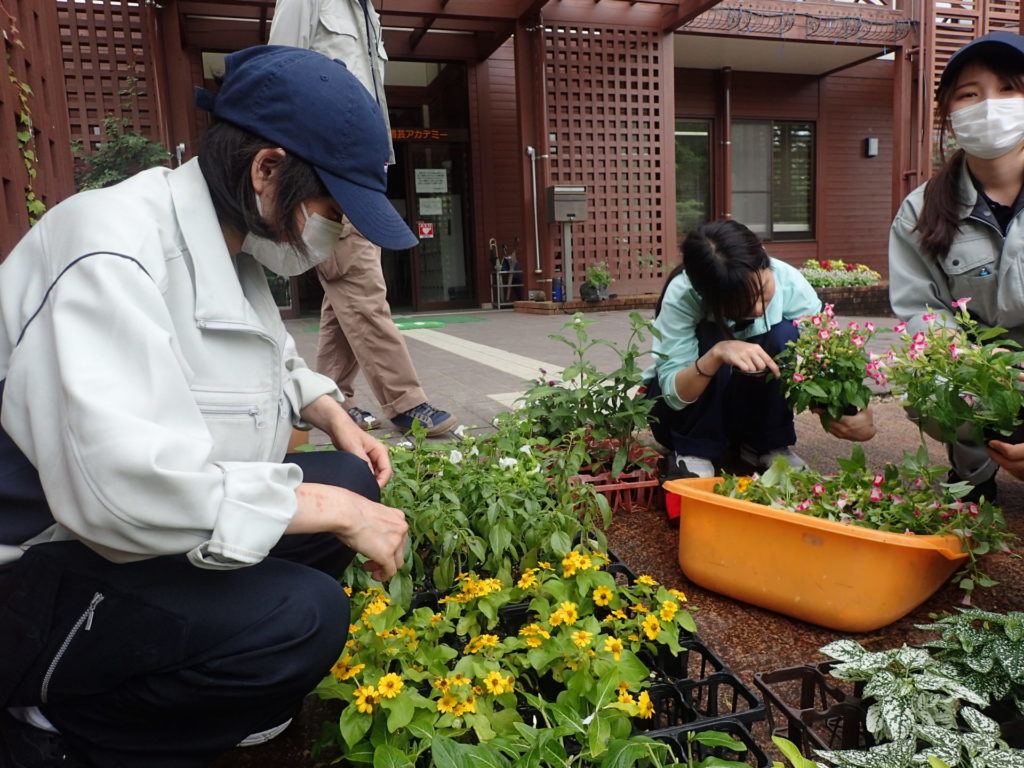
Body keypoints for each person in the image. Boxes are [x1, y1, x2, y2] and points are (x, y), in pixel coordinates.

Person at [0, 46, 412, 767]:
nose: (337, 235)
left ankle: (210, 660)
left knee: (347, 477)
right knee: (305, 617)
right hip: (33, 573)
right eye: (334, 212)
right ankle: (65, 719)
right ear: (267, 169)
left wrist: (333, 414)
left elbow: (265, 355)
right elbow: (120, 494)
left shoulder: (227, 239)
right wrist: (338, 514)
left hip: (114, 545)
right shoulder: (109, 251)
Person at [268, 0, 458, 437]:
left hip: (363, 171)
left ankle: (333, 399)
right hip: (325, 173)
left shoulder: (367, 11)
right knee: (361, 288)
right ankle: (406, 404)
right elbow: (278, 71)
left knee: (345, 295)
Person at [889, 30, 1024, 502]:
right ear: (950, 112)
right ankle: (973, 469)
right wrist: (983, 372)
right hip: (977, 372)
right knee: (929, 386)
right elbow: (921, 309)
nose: (990, 106)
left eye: (1009, 89)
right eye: (971, 94)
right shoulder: (922, 209)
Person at [644, 219, 876, 479]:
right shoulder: (683, 295)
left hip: (746, 413)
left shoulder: (790, 283)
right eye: (739, 304)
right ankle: (696, 447)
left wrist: (858, 408)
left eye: (763, 291)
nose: (756, 309)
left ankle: (763, 443)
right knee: (709, 337)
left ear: (764, 257)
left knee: (788, 333)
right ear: (706, 296)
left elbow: (828, 357)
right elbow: (674, 396)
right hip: (680, 420)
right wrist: (718, 353)